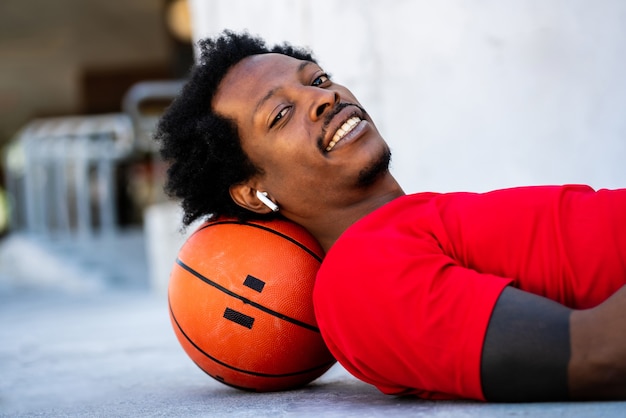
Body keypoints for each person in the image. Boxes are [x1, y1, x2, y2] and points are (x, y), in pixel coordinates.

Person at [155, 30, 626, 402]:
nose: (324, 98)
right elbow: (598, 355)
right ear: (254, 192)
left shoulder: (417, 222)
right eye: (279, 115)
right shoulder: (356, 281)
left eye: (317, 79)